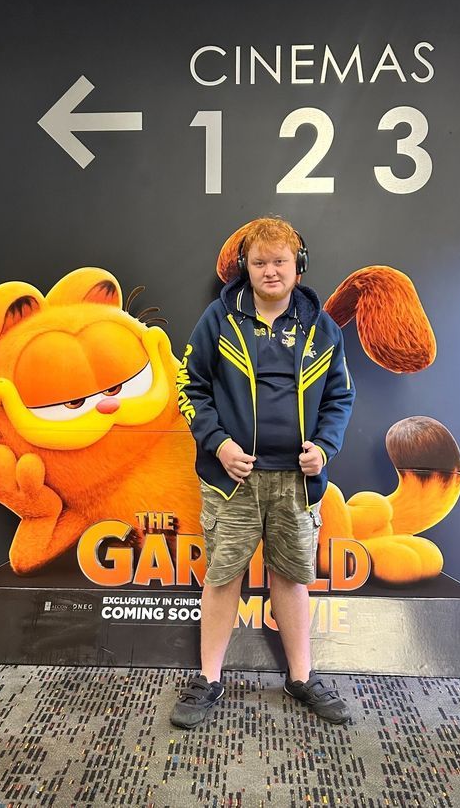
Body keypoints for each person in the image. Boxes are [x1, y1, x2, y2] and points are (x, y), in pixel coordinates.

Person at [172, 217, 355, 728]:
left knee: (292, 579)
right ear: (245, 267)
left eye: (280, 261)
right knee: (222, 577)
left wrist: (325, 447)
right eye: (259, 262)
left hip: (297, 482)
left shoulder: (322, 327)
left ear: (299, 265)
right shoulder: (219, 319)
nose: (270, 271)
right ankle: (208, 678)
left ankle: (301, 677)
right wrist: (219, 444)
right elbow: (189, 386)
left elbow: (340, 398)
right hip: (232, 480)